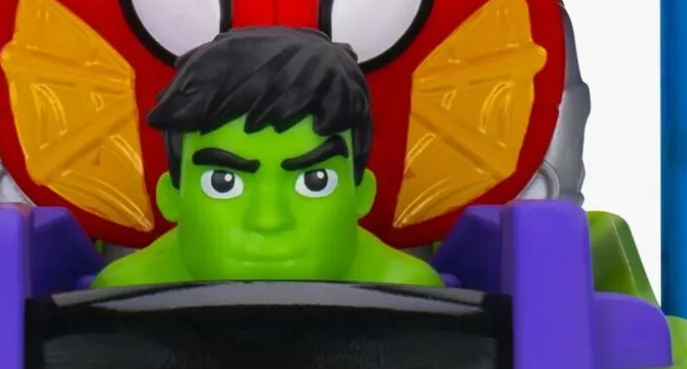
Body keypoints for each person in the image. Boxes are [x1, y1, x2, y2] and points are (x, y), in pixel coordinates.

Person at [94, 27, 442, 287]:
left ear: (362, 193)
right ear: (171, 196)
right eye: (223, 183)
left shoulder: (409, 294)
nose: (269, 220)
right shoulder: (123, 296)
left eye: (315, 181)